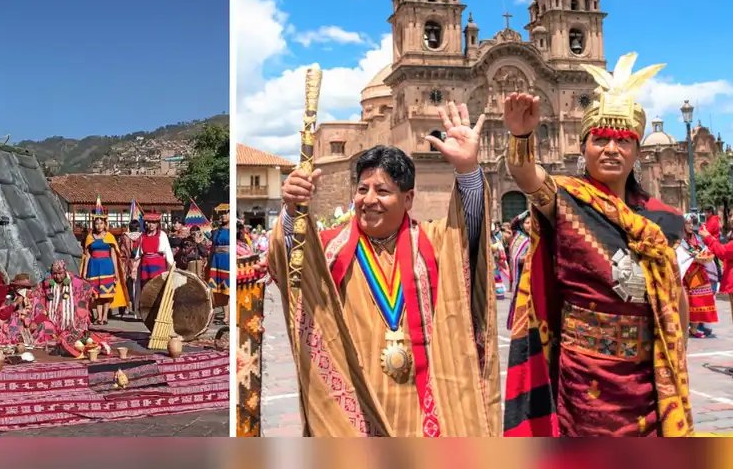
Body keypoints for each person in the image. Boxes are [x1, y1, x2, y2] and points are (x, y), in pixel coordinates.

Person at [265, 101, 501, 437]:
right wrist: (291, 212)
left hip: (425, 409)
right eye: (362, 189)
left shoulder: (433, 242)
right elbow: (290, 263)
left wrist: (467, 173)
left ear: (408, 199)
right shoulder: (330, 249)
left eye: (383, 190)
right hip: (357, 405)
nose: (369, 199)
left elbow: (469, 239)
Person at [501, 52, 693, 437]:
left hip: (646, 377)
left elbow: (676, 297)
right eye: (600, 139)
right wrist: (521, 135)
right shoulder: (566, 199)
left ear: (637, 153)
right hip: (582, 379)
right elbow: (526, 176)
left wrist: (676, 355)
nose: (610, 149)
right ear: (583, 148)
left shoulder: (661, 219)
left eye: (622, 141)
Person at [37, 260, 95, 356]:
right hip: (53, 322)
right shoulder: (47, 284)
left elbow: (86, 286)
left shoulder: (74, 281)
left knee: (74, 338)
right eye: (55, 274)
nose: (58, 276)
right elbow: (38, 296)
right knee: (44, 330)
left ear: (65, 272)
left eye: (60, 273)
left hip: (71, 324)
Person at [80, 207, 127, 325]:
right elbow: (87, 255)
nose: (99, 226)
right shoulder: (90, 237)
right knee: (96, 295)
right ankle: (98, 317)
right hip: (94, 267)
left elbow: (114, 255)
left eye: (101, 223)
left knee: (106, 294)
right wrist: (85, 271)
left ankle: (105, 316)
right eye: (96, 223)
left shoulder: (110, 237)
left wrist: (116, 271)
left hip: (107, 266)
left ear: (105, 224)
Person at [676, 214, 719, 338]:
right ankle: (687, 328)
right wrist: (693, 259)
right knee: (687, 302)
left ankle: (695, 328)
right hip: (685, 274)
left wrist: (704, 256)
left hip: (699, 273)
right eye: (688, 223)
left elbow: (703, 250)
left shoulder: (696, 238)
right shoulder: (680, 239)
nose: (691, 226)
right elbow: (680, 256)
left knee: (700, 300)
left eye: (692, 223)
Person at [0, 273, 60, 347]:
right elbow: (2, 316)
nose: (26, 290)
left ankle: (36, 340)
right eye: (23, 287)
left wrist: (35, 322)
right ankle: (19, 341)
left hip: (32, 331)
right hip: (16, 330)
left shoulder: (34, 300)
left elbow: (43, 313)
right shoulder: (9, 299)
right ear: (16, 288)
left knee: (48, 326)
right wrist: (15, 303)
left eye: (28, 288)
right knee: (14, 323)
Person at [505, 211, 531, 329]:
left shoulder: (538, 237)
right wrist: (529, 210)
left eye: (532, 222)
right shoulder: (520, 237)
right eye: (526, 223)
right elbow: (513, 223)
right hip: (521, 275)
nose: (529, 225)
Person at [136, 212, 174, 287]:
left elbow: (168, 251)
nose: (151, 225)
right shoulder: (143, 236)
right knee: (146, 286)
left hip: (158, 264)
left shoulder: (162, 235)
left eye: (153, 222)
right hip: (146, 264)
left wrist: (171, 264)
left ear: (157, 224)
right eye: (149, 222)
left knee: (158, 286)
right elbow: (139, 253)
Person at [120, 220, 142, 317]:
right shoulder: (142, 236)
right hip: (138, 262)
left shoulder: (124, 237)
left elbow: (121, 251)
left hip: (127, 263)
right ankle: (137, 308)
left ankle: (127, 307)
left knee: (127, 286)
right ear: (138, 227)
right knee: (138, 286)